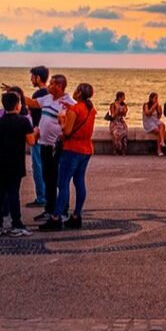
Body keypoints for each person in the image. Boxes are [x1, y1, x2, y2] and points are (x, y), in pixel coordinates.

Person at [19, 74, 74, 223]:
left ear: (59, 86)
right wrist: (17, 93)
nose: (48, 86)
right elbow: (31, 103)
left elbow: (71, 125)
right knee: (47, 177)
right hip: (43, 144)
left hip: (57, 146)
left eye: (51, 84)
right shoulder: (47, 98)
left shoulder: (69, 103)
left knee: (59, 179)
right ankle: (49, 209)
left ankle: (62, 210)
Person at [42, 83, 96, 231]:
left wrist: (61, 120)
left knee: (63, 182)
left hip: (72, 149)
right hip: (86, 149)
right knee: (79, 182)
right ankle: (76, 216)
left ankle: (56, 217)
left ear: (79, 93)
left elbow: (66, 131)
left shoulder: (75, 109)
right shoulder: (91, 109)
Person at [0, 91, 35, 236]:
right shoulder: (24, 121)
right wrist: (36, 132)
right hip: (15, 163)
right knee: (13, 194)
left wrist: (0, 143)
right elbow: (31, 141)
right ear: (17, 105)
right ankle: (16, 224)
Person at [26, 66, 49, 208]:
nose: (31, 79)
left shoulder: (38, 94)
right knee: (46, 166)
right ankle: (48, 195)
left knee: (38, 166)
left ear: (38, 78)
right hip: (46, 135)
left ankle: (41, 197)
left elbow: (31, 110)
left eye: (32, 76)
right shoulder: (49, 93)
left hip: (37, 134)